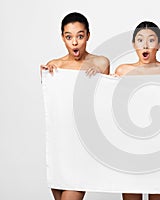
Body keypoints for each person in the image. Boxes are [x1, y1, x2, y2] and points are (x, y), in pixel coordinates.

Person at [41, 12, 110, 200]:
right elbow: (54, 101)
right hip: (60, 144)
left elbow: (104, 99)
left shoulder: (100, 62)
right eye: (69, 37)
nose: (75, 42)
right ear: (62, 37)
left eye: (80, 36)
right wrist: (46, 77)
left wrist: (99, 74)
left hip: (82, 144)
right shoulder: (55, 65)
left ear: (87, 35)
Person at [115, 21, 160, 200]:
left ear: (159, 44)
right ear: (133, 44)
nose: (145, 45)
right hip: (131, 145)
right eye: (140, 40)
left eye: (151, 40)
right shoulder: (122, 71)